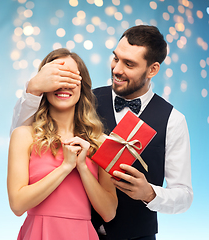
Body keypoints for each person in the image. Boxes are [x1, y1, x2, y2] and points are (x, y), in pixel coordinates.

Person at [10, 25, 193, 240]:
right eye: (116, 58)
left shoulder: (173, 120)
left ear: (152, 69)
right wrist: (33, 90)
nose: (116, 69)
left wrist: (150, 193)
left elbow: (184, 195)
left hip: (137, 235)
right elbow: (27, 131)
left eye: (129, 64)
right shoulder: (80, 101)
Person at [7, 48, 118, 240]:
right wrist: (66, 167)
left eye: (71, 78)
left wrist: (82, 166)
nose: (63, 85)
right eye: (56, 77)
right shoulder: (23, 136)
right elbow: (17, 205)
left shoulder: (101, 142)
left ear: (82, 87)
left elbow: (109, 212)